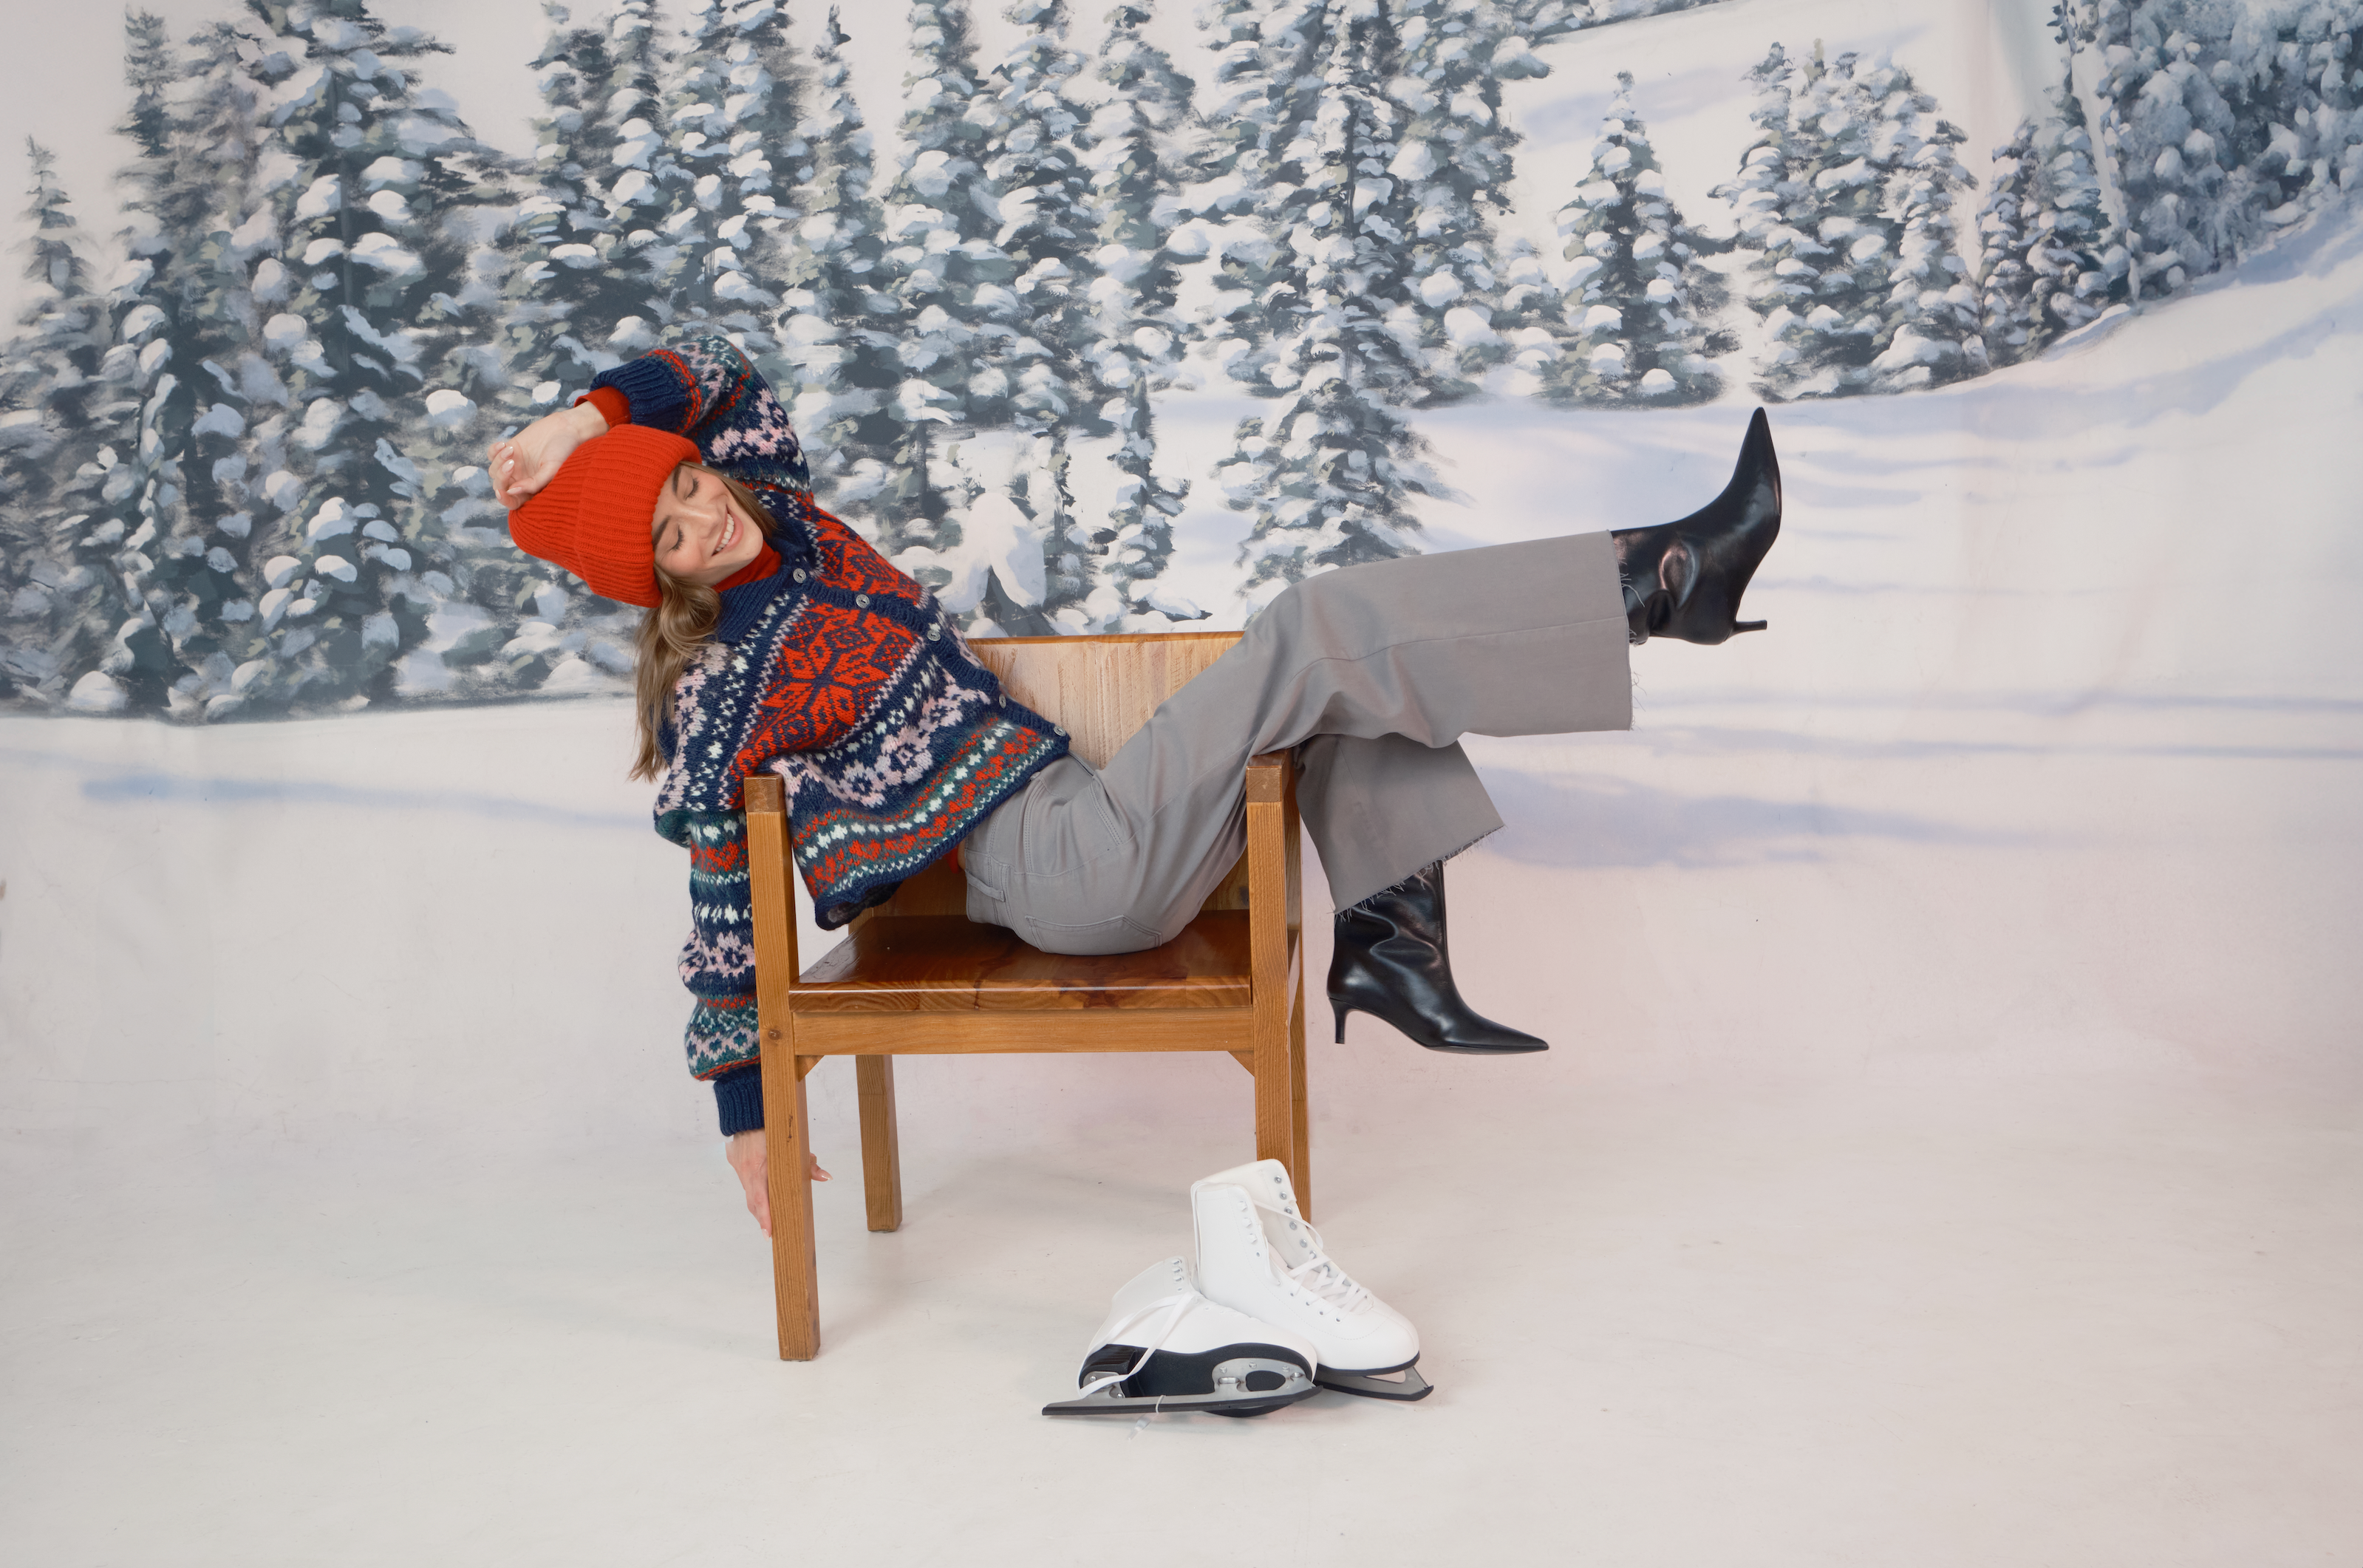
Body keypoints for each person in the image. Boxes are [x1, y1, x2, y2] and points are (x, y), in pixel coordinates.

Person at [494, 335, 1781, 1235]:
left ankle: (1390, 940)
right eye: (668, 535)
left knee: (1347, 675)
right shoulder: (720, 684)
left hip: (1084, 818)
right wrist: (744, 1111)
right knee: (1318, 626)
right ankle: (1658, 581)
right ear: (656, 582)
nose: (703, 517)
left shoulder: (787, 515)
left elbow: (722, 373)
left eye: (686, 481)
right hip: (1052, 871)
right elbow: (720, 914)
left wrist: (585, 421)